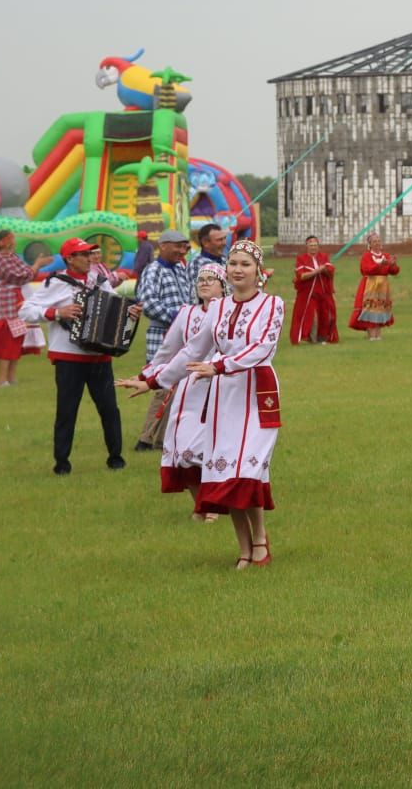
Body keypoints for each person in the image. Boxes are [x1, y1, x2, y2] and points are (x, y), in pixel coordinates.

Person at [129, 241, 282, 568]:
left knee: (246, 470)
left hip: (255, 393)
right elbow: (191, 350)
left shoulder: (273, 304)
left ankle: (260, 540)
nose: (238, 269)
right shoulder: (218, 308)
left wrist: (221, 365)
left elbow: (262, 348)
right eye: (233, 263)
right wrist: (154, 380)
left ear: (258, 271)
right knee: (225, 472)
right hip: (223, 396)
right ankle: (246, 549)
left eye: (245, 264)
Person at [117, 263, 229, 521]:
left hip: (223, 386)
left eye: (211, 279)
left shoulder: (230, 312)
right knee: (183, 450)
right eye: (201, 279)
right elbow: (169, 351)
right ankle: (201, 503)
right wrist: (146, 376)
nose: (204, 283)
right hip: (190, 389)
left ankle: (212, 506)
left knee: (213, 448)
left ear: (223, 286)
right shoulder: (187, 314)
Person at [20, 237, 138, 475]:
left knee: (109, 409)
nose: (89, 258)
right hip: (68, 356)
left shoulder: (100, 280)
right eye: (83, 255)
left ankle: (116, 457)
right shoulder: (56, 283)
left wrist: (129, 313)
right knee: (67, 410)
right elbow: (25, 310)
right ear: (70, 259)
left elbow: (113, 307)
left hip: (99, 356)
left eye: (89, 254)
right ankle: (62, 463)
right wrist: (56, 312)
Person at [131, 229, 193, 451]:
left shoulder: (180, 269)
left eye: (184, 247)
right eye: (177, 246)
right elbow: (147, 302)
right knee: (162, 386)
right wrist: (178, 317)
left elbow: (188, 299)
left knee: (178, 387)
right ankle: (145, 440)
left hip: (183, 338)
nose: (181, 251)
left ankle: (162, 439)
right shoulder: (153, 270)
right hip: (162, 336)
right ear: (163, 245)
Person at [0, 230, 51, 386]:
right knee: (6, 339)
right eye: (9, 238)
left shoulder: (12, 257)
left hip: (16, 299)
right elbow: (18, 275)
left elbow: (27, 274)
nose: (13, 241)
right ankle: (2, 378)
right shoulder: (0, 259)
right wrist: (37, 265)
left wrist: (34, 267)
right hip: (6, 302)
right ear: (1, 242)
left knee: (16, 338)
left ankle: (11, 377)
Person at [349, 232, 400, 340]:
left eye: (378, 241)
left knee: (380, 308)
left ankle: (378, 334)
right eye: (374, 241)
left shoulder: (385, 255)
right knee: (370, 308)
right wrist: (380, 265)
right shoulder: (367, 256)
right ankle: (371, 335)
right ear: (370, 244)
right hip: (370, 285)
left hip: (382, 286)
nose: (377, 243)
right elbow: (366, 269)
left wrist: (393, 264)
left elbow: (394, 271)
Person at [290, 235, 339, 344]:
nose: (313, 247)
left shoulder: (324, 257)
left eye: (315, 245)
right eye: (311, 245)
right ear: (307, 246)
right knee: (312, 316)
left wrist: (325, 270)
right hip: (308, 294)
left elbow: (330, 271)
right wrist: (316, 271)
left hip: (323, 293)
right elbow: (301, 276)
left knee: (326, 315)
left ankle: (323, 337)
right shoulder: (301, 259)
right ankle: (311, 338)